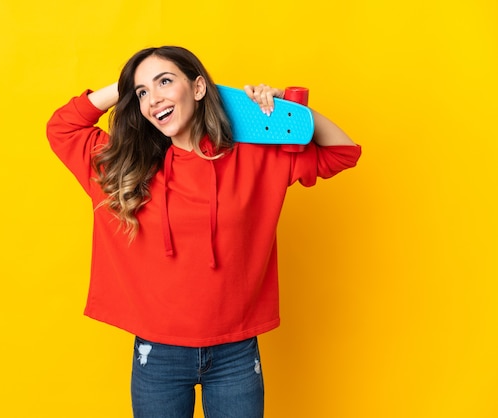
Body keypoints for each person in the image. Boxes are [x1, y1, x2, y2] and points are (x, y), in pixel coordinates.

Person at [46, 45, 361, 418]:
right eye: (143, 92)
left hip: (236, 352)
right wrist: (124, 85)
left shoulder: (254, 155)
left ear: (198, 88)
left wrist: (292, 113)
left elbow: (343, 153)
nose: (153, 98)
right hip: (157, 354)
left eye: (165, 81)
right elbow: (62, 127)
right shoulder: (123, 164)